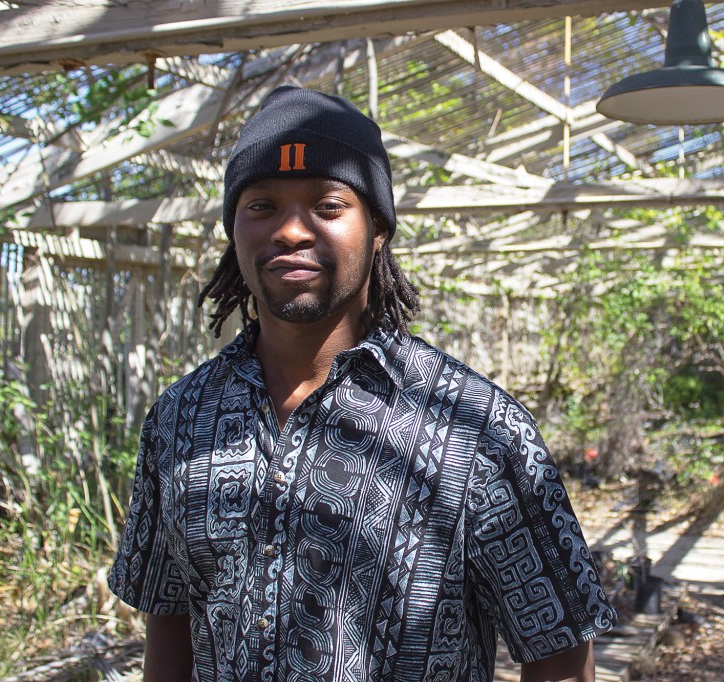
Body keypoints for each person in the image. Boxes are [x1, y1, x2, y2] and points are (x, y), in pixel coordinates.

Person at [108, 86, 616, 682]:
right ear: (233, 230)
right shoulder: (179, 421)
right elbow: (169, 621)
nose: (292, 231)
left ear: (377, 228)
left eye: (327, 205)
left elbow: (557, 649)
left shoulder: (478, 429)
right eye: (262, 206)